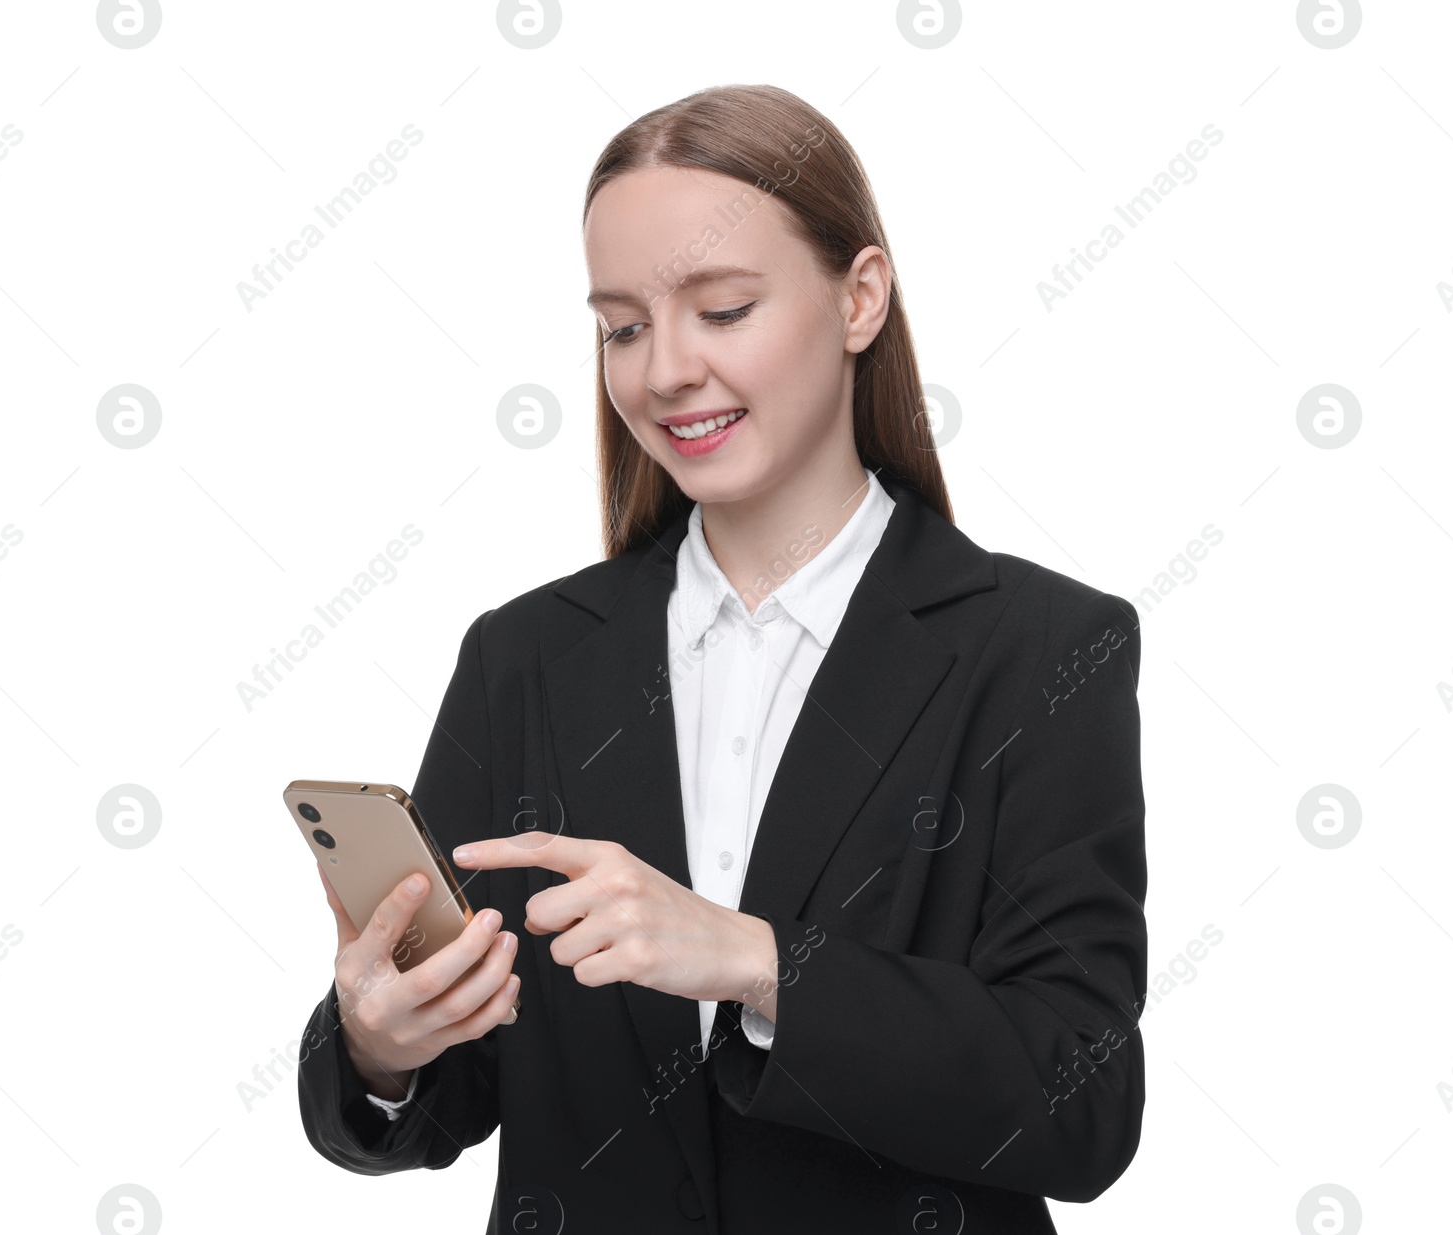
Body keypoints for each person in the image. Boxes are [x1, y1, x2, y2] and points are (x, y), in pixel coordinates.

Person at [297, 83, 1147, 1234]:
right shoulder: (527, 657)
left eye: (724, 309)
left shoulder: (1040, 649)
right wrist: (382, 1042)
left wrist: (759, 963)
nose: (663, 374)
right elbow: (455, 1089)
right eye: (623, 326)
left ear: (859, 298)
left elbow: (1080, 1097)